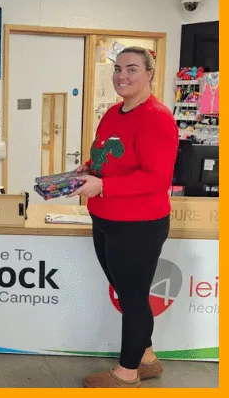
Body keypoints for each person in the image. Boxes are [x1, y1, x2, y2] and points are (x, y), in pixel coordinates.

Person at [71, 47, 178, 388]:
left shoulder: (157, 117)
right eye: (117, 69)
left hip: (138, 224)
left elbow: (156, 178)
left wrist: (102, 185)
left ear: (149, 74)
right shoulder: (113, 113)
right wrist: (90, 168)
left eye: (131, 69)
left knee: (132, 298)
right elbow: (105, 154)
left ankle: (128, 373)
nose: (121, 76)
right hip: (105, 217)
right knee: (126, 291)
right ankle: (146, 358)